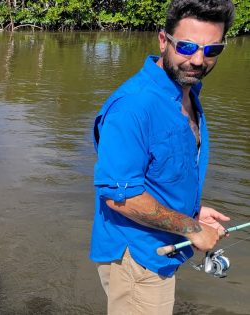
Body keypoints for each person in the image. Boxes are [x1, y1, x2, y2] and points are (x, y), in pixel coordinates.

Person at [90, 0, 236, 313]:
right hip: (139, 258)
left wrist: (192, 212)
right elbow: (121, 197)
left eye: (212, 50)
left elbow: (163, 171)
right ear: (162, 40)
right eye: (186, 46)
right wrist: (193, 229)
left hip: (165, 246)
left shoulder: (186, 90)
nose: (198, 60)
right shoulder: (133, 107)